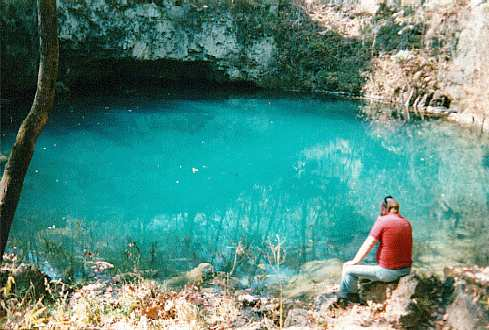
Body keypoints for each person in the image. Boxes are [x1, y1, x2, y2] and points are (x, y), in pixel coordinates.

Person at [337, 196, 412, 303]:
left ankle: (347, 299)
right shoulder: (406, 223)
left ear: (384, 208)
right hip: (405, 270)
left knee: (348, 270)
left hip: (388, 273)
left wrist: (355, 261)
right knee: (369, 264)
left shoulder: (383, 221)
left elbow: (369, 244)